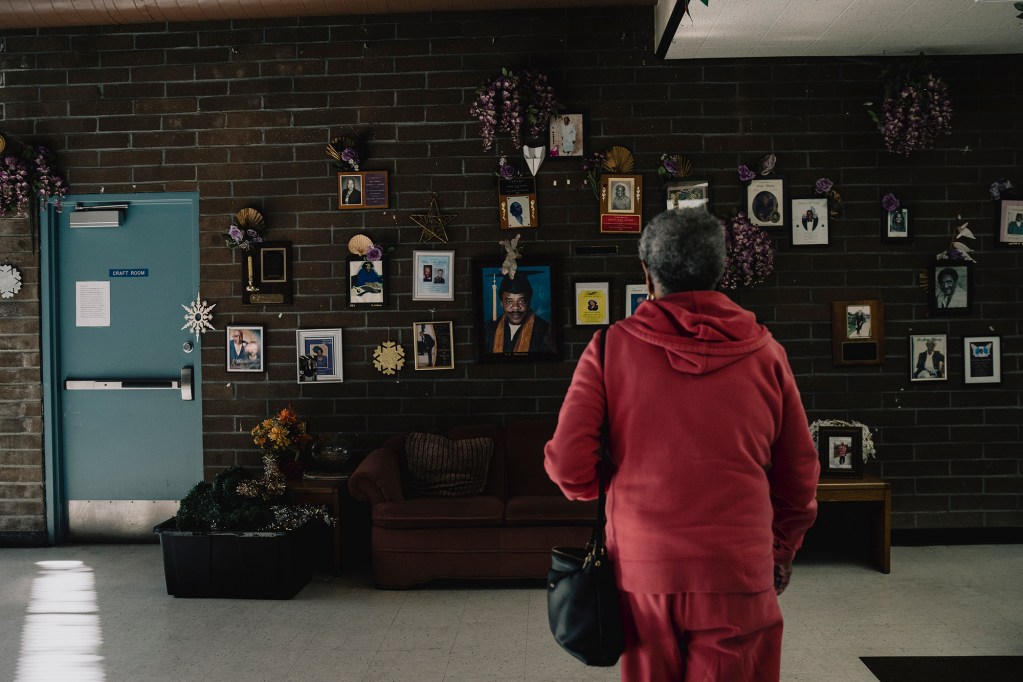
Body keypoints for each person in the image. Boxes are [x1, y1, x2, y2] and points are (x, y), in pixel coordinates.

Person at [544, 208, 820, 682]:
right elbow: (799, 474)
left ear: (647, 274)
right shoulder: (767, 354)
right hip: (738, 569)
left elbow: (569, 467)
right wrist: (781, 549)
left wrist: (613, 487)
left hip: (643, 570)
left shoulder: (609, 349)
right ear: (719, 271)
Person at [482, 271, 555, 354]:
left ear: (529, 302)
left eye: (521, 301)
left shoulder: (545, 332)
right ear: (501, 303)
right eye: (509, 302)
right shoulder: (488, 330)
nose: (516, 307)